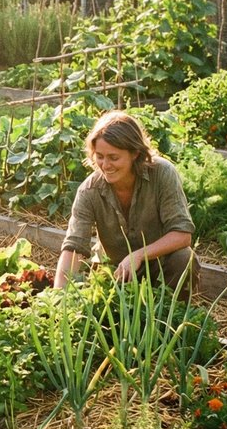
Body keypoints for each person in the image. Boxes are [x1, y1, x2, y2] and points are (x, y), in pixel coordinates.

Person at [54, 110, 197, 295]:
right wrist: (57, 298)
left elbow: (182, 235)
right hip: (116, 273)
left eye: (114, 157)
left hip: (161, 267)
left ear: (135, 153)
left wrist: (138, 255)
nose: (105, 165)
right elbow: (73, 248)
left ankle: (170, 315)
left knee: (184, 258)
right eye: (99, 156)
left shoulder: (162, 174)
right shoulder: (89, 190)